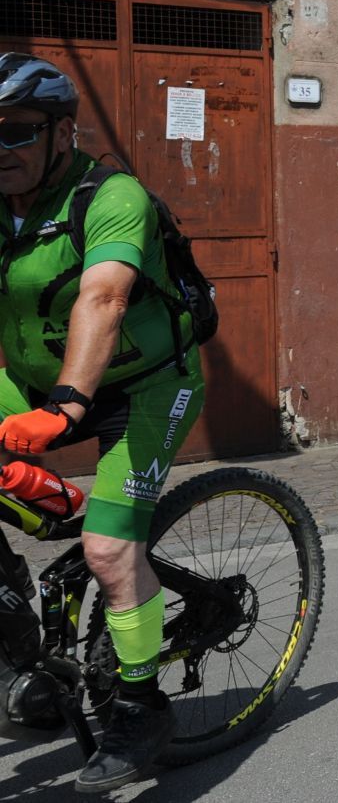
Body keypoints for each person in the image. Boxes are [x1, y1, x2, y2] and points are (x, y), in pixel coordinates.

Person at [0, 55, 206, 791]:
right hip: (32, 376)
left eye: (17, 132)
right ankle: (16, 642)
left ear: (62, 133)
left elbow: (104, 299)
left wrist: (67, 405)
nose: (2, 149)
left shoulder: (112, 196)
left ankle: (141, 706)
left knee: (111, 550)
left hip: (143, 385)